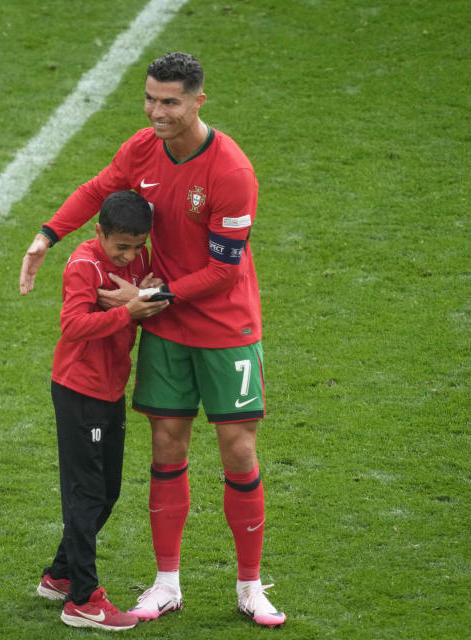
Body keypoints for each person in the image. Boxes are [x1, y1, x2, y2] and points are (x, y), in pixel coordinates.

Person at [21, 52, 285, 628]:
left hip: (225, 329)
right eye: (150, 98)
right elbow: (98, 190)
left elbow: (224, 270)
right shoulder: (141, 148)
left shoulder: (231, 173)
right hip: (164, 327)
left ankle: (249, 586)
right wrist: (48, 234)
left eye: (170, 101)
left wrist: (148, 299)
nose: (157, 111)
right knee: (167, 448)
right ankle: (166, 584)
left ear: (197, 101)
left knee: (238, 452)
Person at [35, 190, 169, 631]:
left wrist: (146, 293)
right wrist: (128, 312)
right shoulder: (83, 266)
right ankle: (83, 599)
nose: (130, 256)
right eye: (121, 248)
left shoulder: (136, 258)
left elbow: (144, 294)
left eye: (136, 246)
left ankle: (59, 575)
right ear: (99, 233)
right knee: (87, 493)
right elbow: (72, 326)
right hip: (80, 392)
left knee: (105, 491)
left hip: (109, 389)